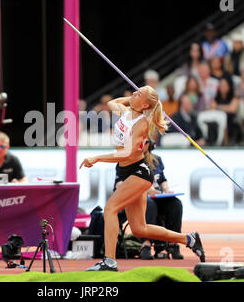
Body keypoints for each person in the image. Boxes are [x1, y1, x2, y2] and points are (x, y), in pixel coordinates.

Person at [80, 86, 205, 271]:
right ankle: (189, 239)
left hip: (138, 172)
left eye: (139, 94)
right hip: (127, 172)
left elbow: (126, 154)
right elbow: (111, 103)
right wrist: (131, 100)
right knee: (140, 229)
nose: (133, 94)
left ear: (145, 104)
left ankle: (109, 261)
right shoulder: (126, 111)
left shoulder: (141, 124)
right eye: (135, 91)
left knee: (110, 209)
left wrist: (97, 158)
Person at [143, 140, 184, 260]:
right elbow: (121, 184)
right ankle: (146, 244)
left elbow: (162, 179)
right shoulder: (130, 161)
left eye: (145, 142)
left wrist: (166, 189)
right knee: (150, 205)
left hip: (157, 196)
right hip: (139, 199)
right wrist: (145, 190)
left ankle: (173, 243)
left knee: (176, 204)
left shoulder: (156, 159)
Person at [211, 77, 242, 145]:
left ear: (229, 86)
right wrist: (226, 108)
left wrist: (218, 107)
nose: (223, 88)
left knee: (227, 118)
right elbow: (212, 107)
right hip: (218, 123)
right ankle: (217, 142)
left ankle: (227, 143)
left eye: (225, 85)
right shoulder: (216, 97)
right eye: (221, 86)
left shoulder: (234, 96)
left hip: (231, 122)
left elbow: (232, 109)